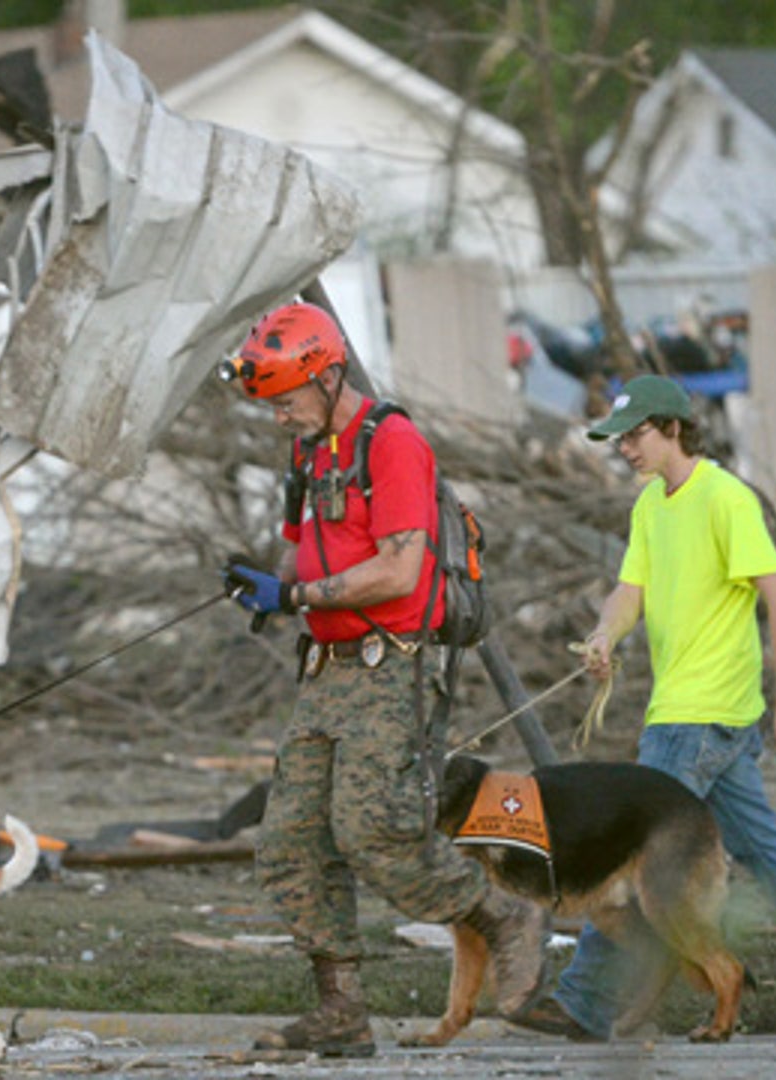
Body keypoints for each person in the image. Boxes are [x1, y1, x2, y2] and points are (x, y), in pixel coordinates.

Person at [515, 374, 776, 1042]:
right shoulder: (649, 507)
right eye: (619, 438)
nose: (626, 449)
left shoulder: (725, 498)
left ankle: (584, 1003)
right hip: (692, 719)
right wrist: (607, 633)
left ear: (672, 429)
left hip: (699, 718)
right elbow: (627, 591)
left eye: (636, 435)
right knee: (769, 858)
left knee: (625, 852)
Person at [217, 301, 549, 1057]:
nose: (278, 416)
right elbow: (302, 548)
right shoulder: (309, 451)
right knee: (291, 843)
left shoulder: (393, 444)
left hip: (388, 667)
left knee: (374, 833)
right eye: (269, 403)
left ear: (329, 375)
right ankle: (341, 1011)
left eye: (288, 399)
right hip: (325, 673)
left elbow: (400, 570)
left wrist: (297, 597)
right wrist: (264, 586)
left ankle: (503, 915)